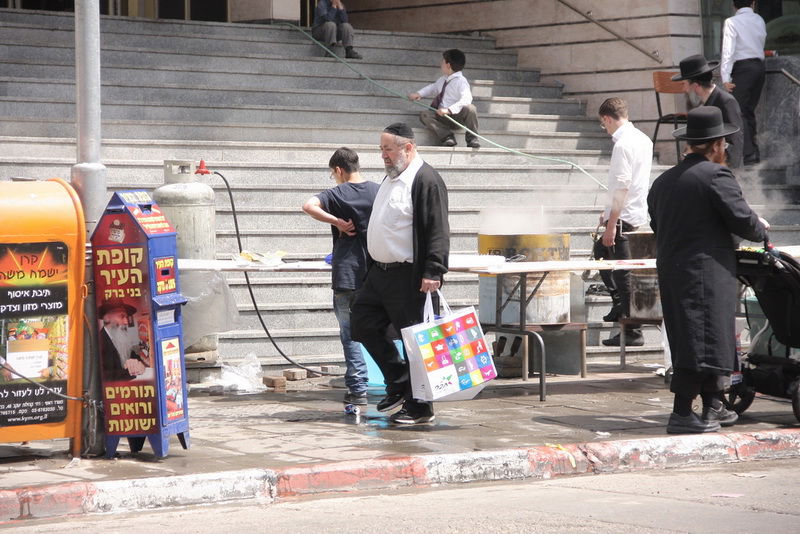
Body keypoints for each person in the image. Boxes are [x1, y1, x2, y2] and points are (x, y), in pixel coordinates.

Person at [647, 106, 769, 434]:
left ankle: (714, 404)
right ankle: (682, 412)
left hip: (675, 271)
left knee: (702, 338)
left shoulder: (663, 182)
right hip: (705, 273)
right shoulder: (716, 176)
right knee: (702, 340)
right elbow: (743, 220)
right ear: (716, 145)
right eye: (724, 144)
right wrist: (760, 226)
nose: (725, 149)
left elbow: (657, 224)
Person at [350, 122, 450, 425]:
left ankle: (420, 407)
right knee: (362, 322)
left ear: (408, 148)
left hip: (409, 275)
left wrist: (434, 269)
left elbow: (437, 228)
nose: (383, 155)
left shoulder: (425, 180)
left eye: (388, 149)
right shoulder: (392, 177)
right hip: (379, 273)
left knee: (414, 342)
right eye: (381, 149)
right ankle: (398, 381)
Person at [302, 147, 380, 406]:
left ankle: (358, 389)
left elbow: (308, 206)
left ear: (338, 170)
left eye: (333, 174)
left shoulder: (337, 193)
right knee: (381, 330)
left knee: (350, 333)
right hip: (377, 272)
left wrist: (336, 221)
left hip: (347, 273)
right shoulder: (378, 191)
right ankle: (396, 381)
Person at [594, 97, 653, 347]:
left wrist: (611, 223)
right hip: (632, 213)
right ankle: (621, 308)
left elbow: (622, 186)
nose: (605, 129)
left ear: (607, 118)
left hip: (623, 219)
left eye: (603, 124)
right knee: (602, 254)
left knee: (621, 272)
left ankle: (632, 328)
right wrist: (607, 212)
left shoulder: (623, 144)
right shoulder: (643, 139)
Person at [673, 54, 745, 169]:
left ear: (696, 86)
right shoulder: (699, 105)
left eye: (684, 84)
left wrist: (728, 172)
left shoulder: (726, 101)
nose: (683, 90)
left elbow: (735, 142)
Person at [720, 0, 766, 165]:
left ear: (734, 5)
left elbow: (728, 51)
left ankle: (749, 153)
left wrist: (725, 77)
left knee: (738, 110)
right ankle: (752, 152)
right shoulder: (759, 19)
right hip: (759, 67)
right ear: (753, 3)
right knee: (748, 110)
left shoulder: (731, 22)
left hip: (743, 69)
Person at [409, 49, 480, 148]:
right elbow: (433, 87)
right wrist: (419, 94)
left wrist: (449, 110)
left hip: (456, 117)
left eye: (443, 61)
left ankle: (472, 139)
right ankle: (447, 137)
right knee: (425, 115)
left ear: (448, 65)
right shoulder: (443, 79)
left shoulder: (461, 81)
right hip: (441, 117)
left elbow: (467, 99)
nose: (441, 64)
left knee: (471, 108)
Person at [98, 298, 147, 381]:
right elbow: (106, 377)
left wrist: (139, 364)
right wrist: (131, 371)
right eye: (122, 316)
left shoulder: (120, 338)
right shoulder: (98, 343)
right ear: (107, 318)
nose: (126, 322)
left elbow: (134, 357)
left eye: (126, 317)